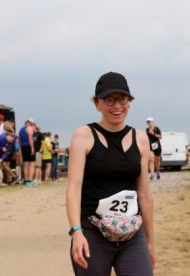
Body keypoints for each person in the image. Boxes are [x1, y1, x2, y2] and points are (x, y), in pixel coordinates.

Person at [66, 72, 155, 276]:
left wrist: (150, 242)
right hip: (92, 233)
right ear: (98, 104)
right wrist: (76, 231)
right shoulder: (83, 136)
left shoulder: (140, 139)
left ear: (130, 102)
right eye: (109, 100)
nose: (117, 106)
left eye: (122, 99)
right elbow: (73, 189)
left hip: (132, 233)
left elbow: (145, 194)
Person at [18, 118, 36, 187]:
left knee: (25, 164)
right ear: (29, 122)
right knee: (31, 164)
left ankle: (26, 180)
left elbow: (19, 140)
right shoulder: (29, 128)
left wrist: (20, 148)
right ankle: (30, 180)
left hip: (23, 146)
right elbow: (30, 138)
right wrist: (32, 148)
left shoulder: (21, 129)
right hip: (29, 146)